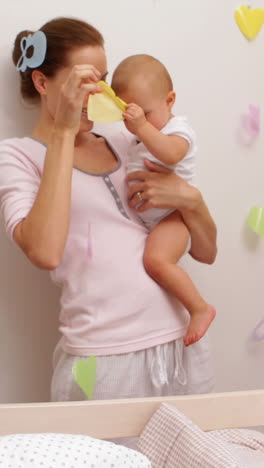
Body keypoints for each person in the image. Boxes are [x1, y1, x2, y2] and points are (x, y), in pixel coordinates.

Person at [0, 17, 217, 404]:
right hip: (102, 359)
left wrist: (192, 201)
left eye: (102, 78)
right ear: (42, 82)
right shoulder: (17, 157)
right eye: (83, 80)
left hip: (179, 343)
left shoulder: (127, 136)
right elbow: (45, 253)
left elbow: (205, 252)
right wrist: (65, 132)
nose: (99, 92)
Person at [111, 54, 216, 347]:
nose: (135, 124)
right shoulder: (139, 137)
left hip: (174, 216)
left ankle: (199, 308)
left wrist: (142, 126)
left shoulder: (177, 130)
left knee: (156, 260)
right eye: (128, 117)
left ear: (170, 101)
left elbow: (171, 155)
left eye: (144, 113)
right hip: (153, 221)